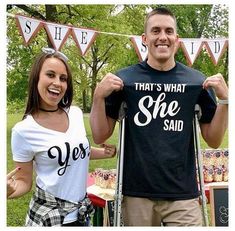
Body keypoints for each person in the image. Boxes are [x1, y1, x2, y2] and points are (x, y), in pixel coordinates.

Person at [89, 7, 228, 226]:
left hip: (183, 194)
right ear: (145, 38)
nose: (162, 37)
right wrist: (98, 96)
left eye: (168, 31)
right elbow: (99, 135)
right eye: (155, 31)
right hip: (137, 192)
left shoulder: (196, 82)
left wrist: (225, 101)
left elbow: (213, 139)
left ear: (177, 39)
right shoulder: (124, 80)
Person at [7, 47, 116, 227]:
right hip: (48, 218)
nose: (57, 83)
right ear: (36, 79)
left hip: (80, 216)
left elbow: (76, 152)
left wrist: (105, 153)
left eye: (63, 78)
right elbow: (23, 182)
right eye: (50, 75)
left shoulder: (75, 113)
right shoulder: (23, 130)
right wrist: (7, 191)